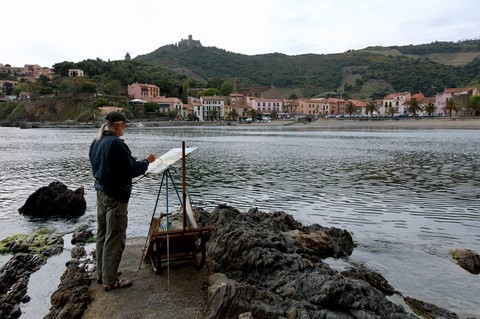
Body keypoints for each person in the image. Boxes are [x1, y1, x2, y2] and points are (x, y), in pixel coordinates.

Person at [89, 111, 156, 291]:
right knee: (115, 238)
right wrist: (147, 161)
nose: (125, 128)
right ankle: (110, 280)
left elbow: (99, 166)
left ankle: (102, 274)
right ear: (118, 125)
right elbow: (131, 168)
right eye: (125, 125)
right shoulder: (116, 144)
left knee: (102, 234)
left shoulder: (97, 141)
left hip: (101, 193)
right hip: (115, 196)